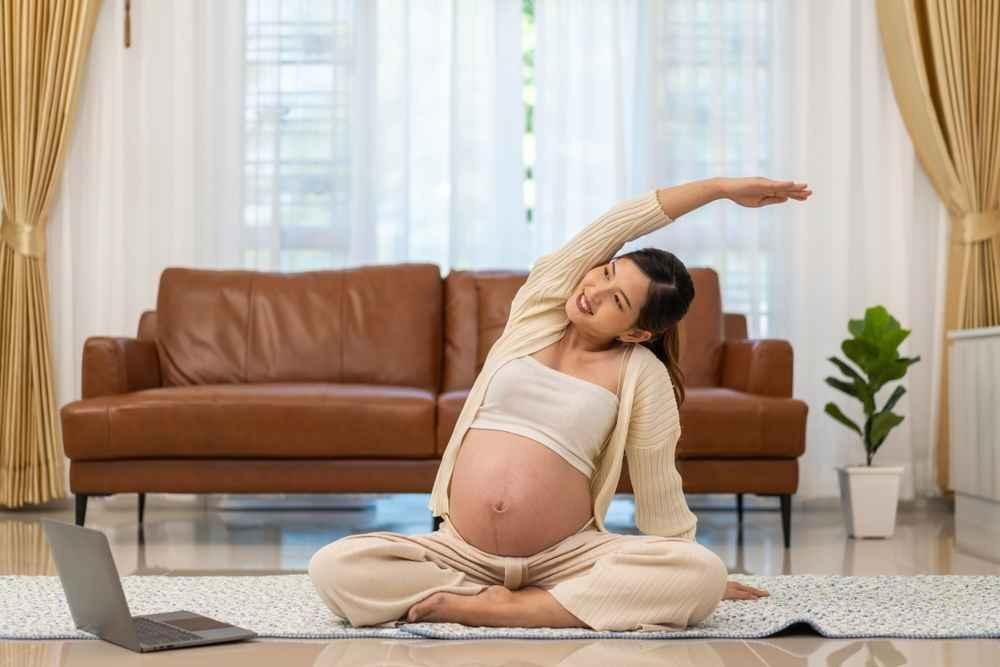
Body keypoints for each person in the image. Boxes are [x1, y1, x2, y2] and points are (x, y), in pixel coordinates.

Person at [309, 177, 812, 631]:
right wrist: (719, 189)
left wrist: (689, 572)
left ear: (637, 331)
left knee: (699, 574)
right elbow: (618, 222)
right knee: (334, 567)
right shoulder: (537, 311)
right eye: (607, 273)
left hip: (568, 556)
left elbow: (659, 486)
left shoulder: (642, 376)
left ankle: (514, 609)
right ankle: (528, 602)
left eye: (618, 301)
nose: (596, 290)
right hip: (460, 551)